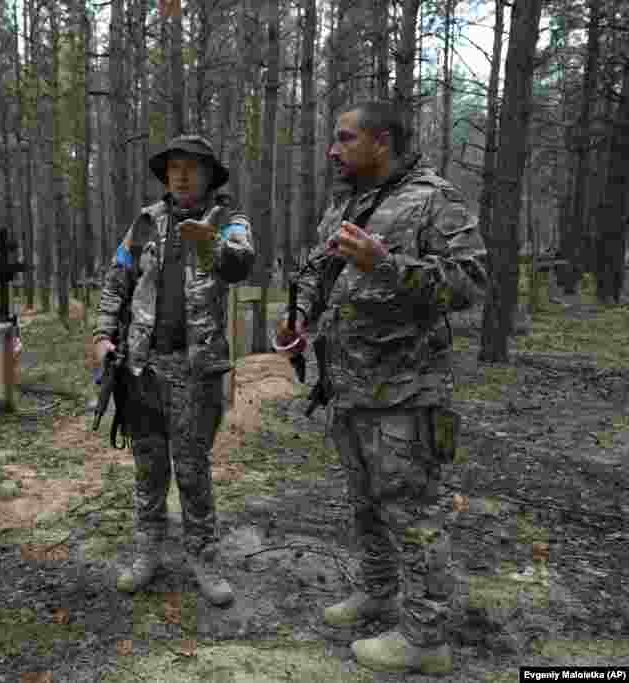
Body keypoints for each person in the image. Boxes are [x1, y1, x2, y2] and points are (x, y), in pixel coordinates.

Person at [274, 102, 489, 674]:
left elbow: (471, 284)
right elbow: (316, 271)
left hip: (405, 393)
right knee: (365, 504)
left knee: (412, 512)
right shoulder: (346, 204)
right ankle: (377, 592)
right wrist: (298, 316)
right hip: (348, 387)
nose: (332, 150)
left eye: (345, 138)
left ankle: (425, 639)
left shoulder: (435, 199)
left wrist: (385, 263)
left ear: (382, 140)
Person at [92, 135, 254, 606]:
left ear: (209, 175)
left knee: (192, 467)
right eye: (174, 168)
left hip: (196, 368)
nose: (181, 176)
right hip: (142, 366)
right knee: (148, 465)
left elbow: (239, 266)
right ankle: (148, 550)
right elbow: (117, 279)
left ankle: (204, 556)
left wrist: (210, 244)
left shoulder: (229, 220)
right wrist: (103, 334)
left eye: (192, 168)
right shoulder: (145, 222)